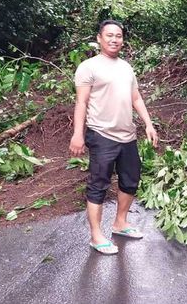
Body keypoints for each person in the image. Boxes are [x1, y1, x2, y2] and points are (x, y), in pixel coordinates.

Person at [69, 19, 158, 255]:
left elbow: (136, 98)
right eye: (109, 35)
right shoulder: (88, 67)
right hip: (101, 134)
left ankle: (120, 223)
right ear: (99, 38)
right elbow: (82, 102)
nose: (114, 39)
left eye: (118, 36)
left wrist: (148, 124)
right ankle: (96, 236)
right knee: (98, 184)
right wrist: (78, 134)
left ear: (123, 40)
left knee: (131, 180)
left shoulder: (126, 67)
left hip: (127, 135)